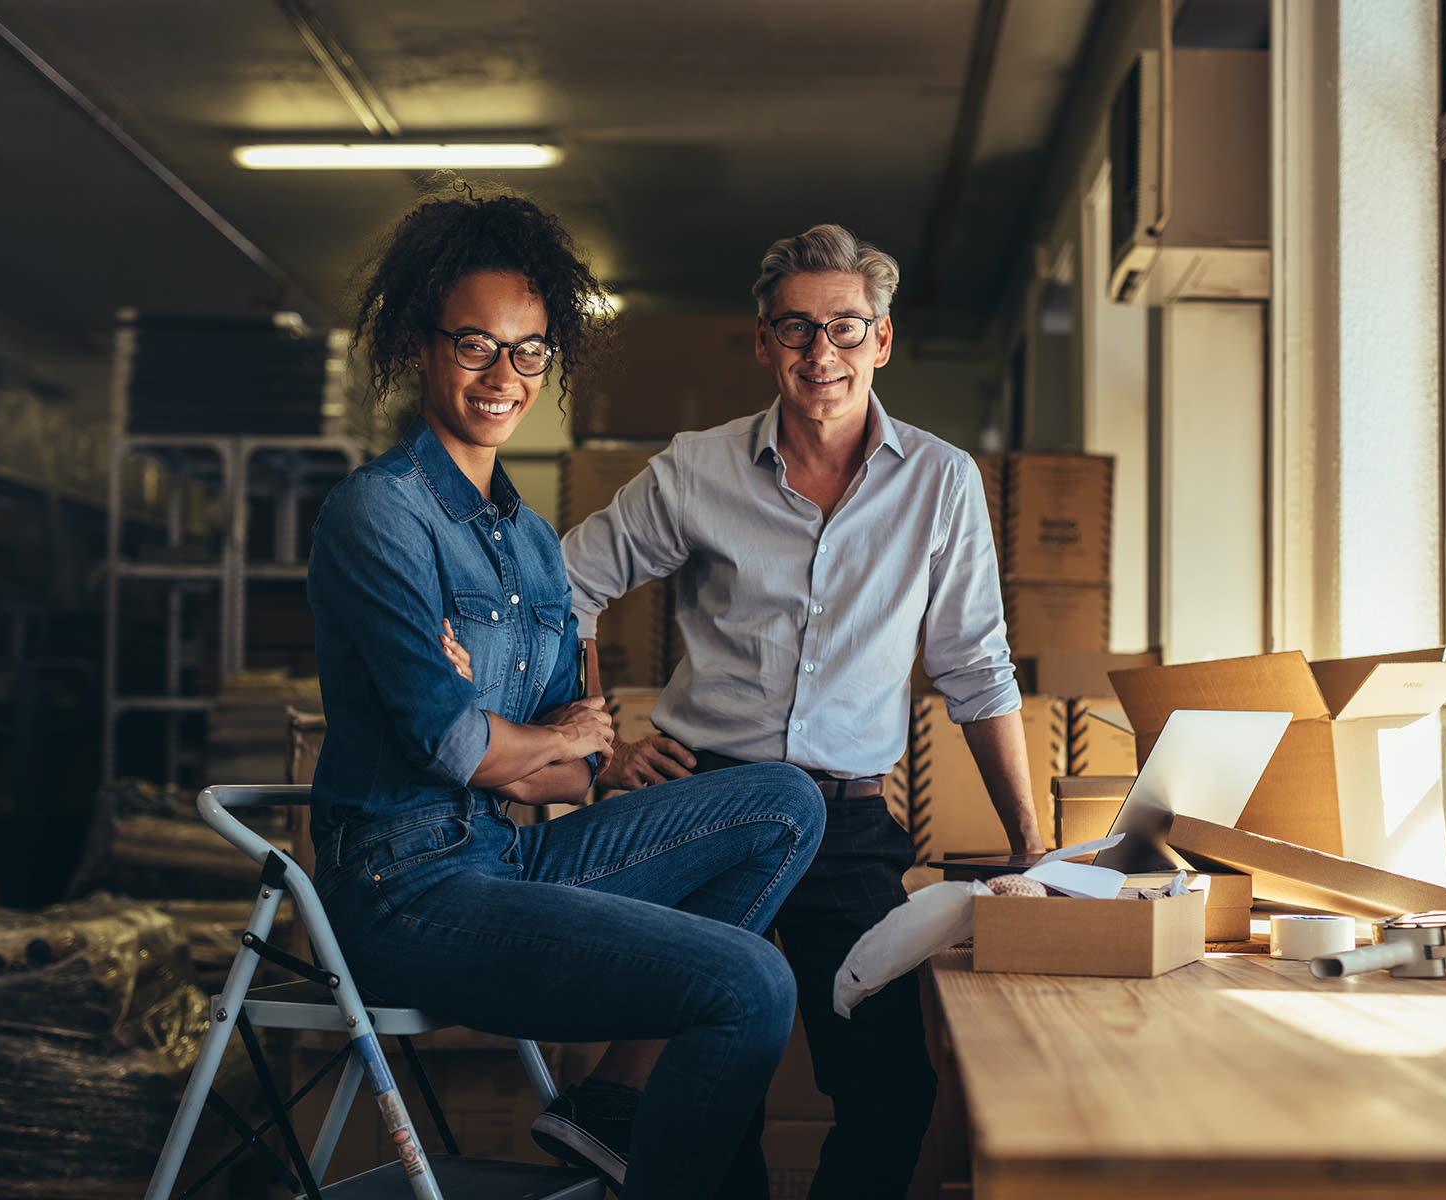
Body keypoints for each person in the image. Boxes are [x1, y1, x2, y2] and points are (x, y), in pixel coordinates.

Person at [305, 189, 827, 1200]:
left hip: (508, 855)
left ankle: (608, 1110)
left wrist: (534, 743)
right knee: (753, 982)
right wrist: (527, 739)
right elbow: (452, 749)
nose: (504, 376)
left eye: (530, 351)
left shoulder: (535, 542)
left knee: (785, 802)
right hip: (404, 891)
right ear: (421, 344)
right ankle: (639, 1151)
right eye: (474, 345)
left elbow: (571, 773)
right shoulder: (380, 515)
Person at [555, 223, 1045, 1200]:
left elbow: (976, 668)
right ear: (761, 342)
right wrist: (597, 744)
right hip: (707, 806)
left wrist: (1031, 842)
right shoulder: (696, 470)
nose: (821, 354)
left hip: (848, 818)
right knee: (713, 1091)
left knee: (891, 1085)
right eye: (795, 329)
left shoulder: (941, 483)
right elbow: (565, 583)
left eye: (846, 328)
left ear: (884, 340)